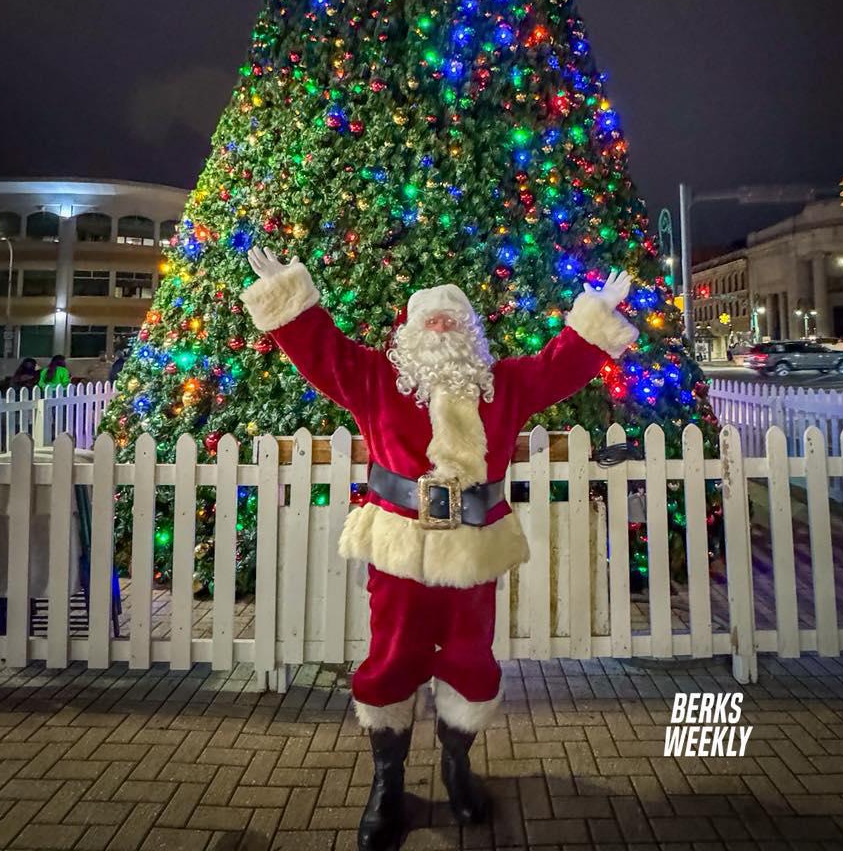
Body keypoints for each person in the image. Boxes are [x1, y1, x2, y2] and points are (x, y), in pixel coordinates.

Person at [242, 249, 637, 851]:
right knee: (390, 660)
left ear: (471, 328)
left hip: (473, 553)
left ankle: (457, 767)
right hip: (398, 551)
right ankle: (387, 783)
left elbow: (560, 365)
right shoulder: (374, 377)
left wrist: (596, 315)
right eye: (430, 316)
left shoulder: (504, 384)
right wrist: (291, 297)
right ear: (409, 328)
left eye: (454, 316)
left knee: (469, 661)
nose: (442, 324)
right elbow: (323, 352)